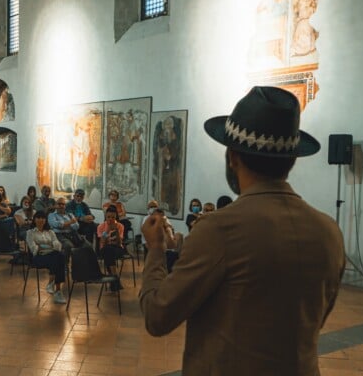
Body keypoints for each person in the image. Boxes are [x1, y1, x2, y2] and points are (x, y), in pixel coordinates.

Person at [139, 86, 345, 374]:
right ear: (293, 160)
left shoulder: (220, 228)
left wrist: (157, 250)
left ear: (233, 157)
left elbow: (158, 316)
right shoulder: (329, 231)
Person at [26, 211, 67, 304]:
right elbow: (34, 248)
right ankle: (54, 287)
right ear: (34, 219)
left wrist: (44, 245)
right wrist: (49, 245)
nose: (41, 220)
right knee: (59, 258)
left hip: (51, 255)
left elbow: (58, 245)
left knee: (59, 256)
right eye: (38, 218)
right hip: (38, 258)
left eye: (43, 218)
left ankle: (56, 288)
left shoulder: (50, 232)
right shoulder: (30, 233)